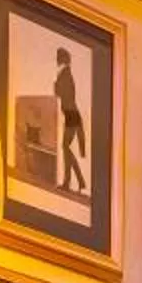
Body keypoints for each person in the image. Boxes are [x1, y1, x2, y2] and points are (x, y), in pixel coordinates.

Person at [54, 46, 88, 197]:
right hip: (71, 115)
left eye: (58, 56)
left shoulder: (66, 75)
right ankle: (77, 182)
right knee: (65, 147)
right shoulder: (65, 74)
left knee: (65, 147)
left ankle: (73, 182)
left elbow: (61, 93)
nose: (56, 59)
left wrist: (55, 85)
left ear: (62, 59)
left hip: (71, 115)